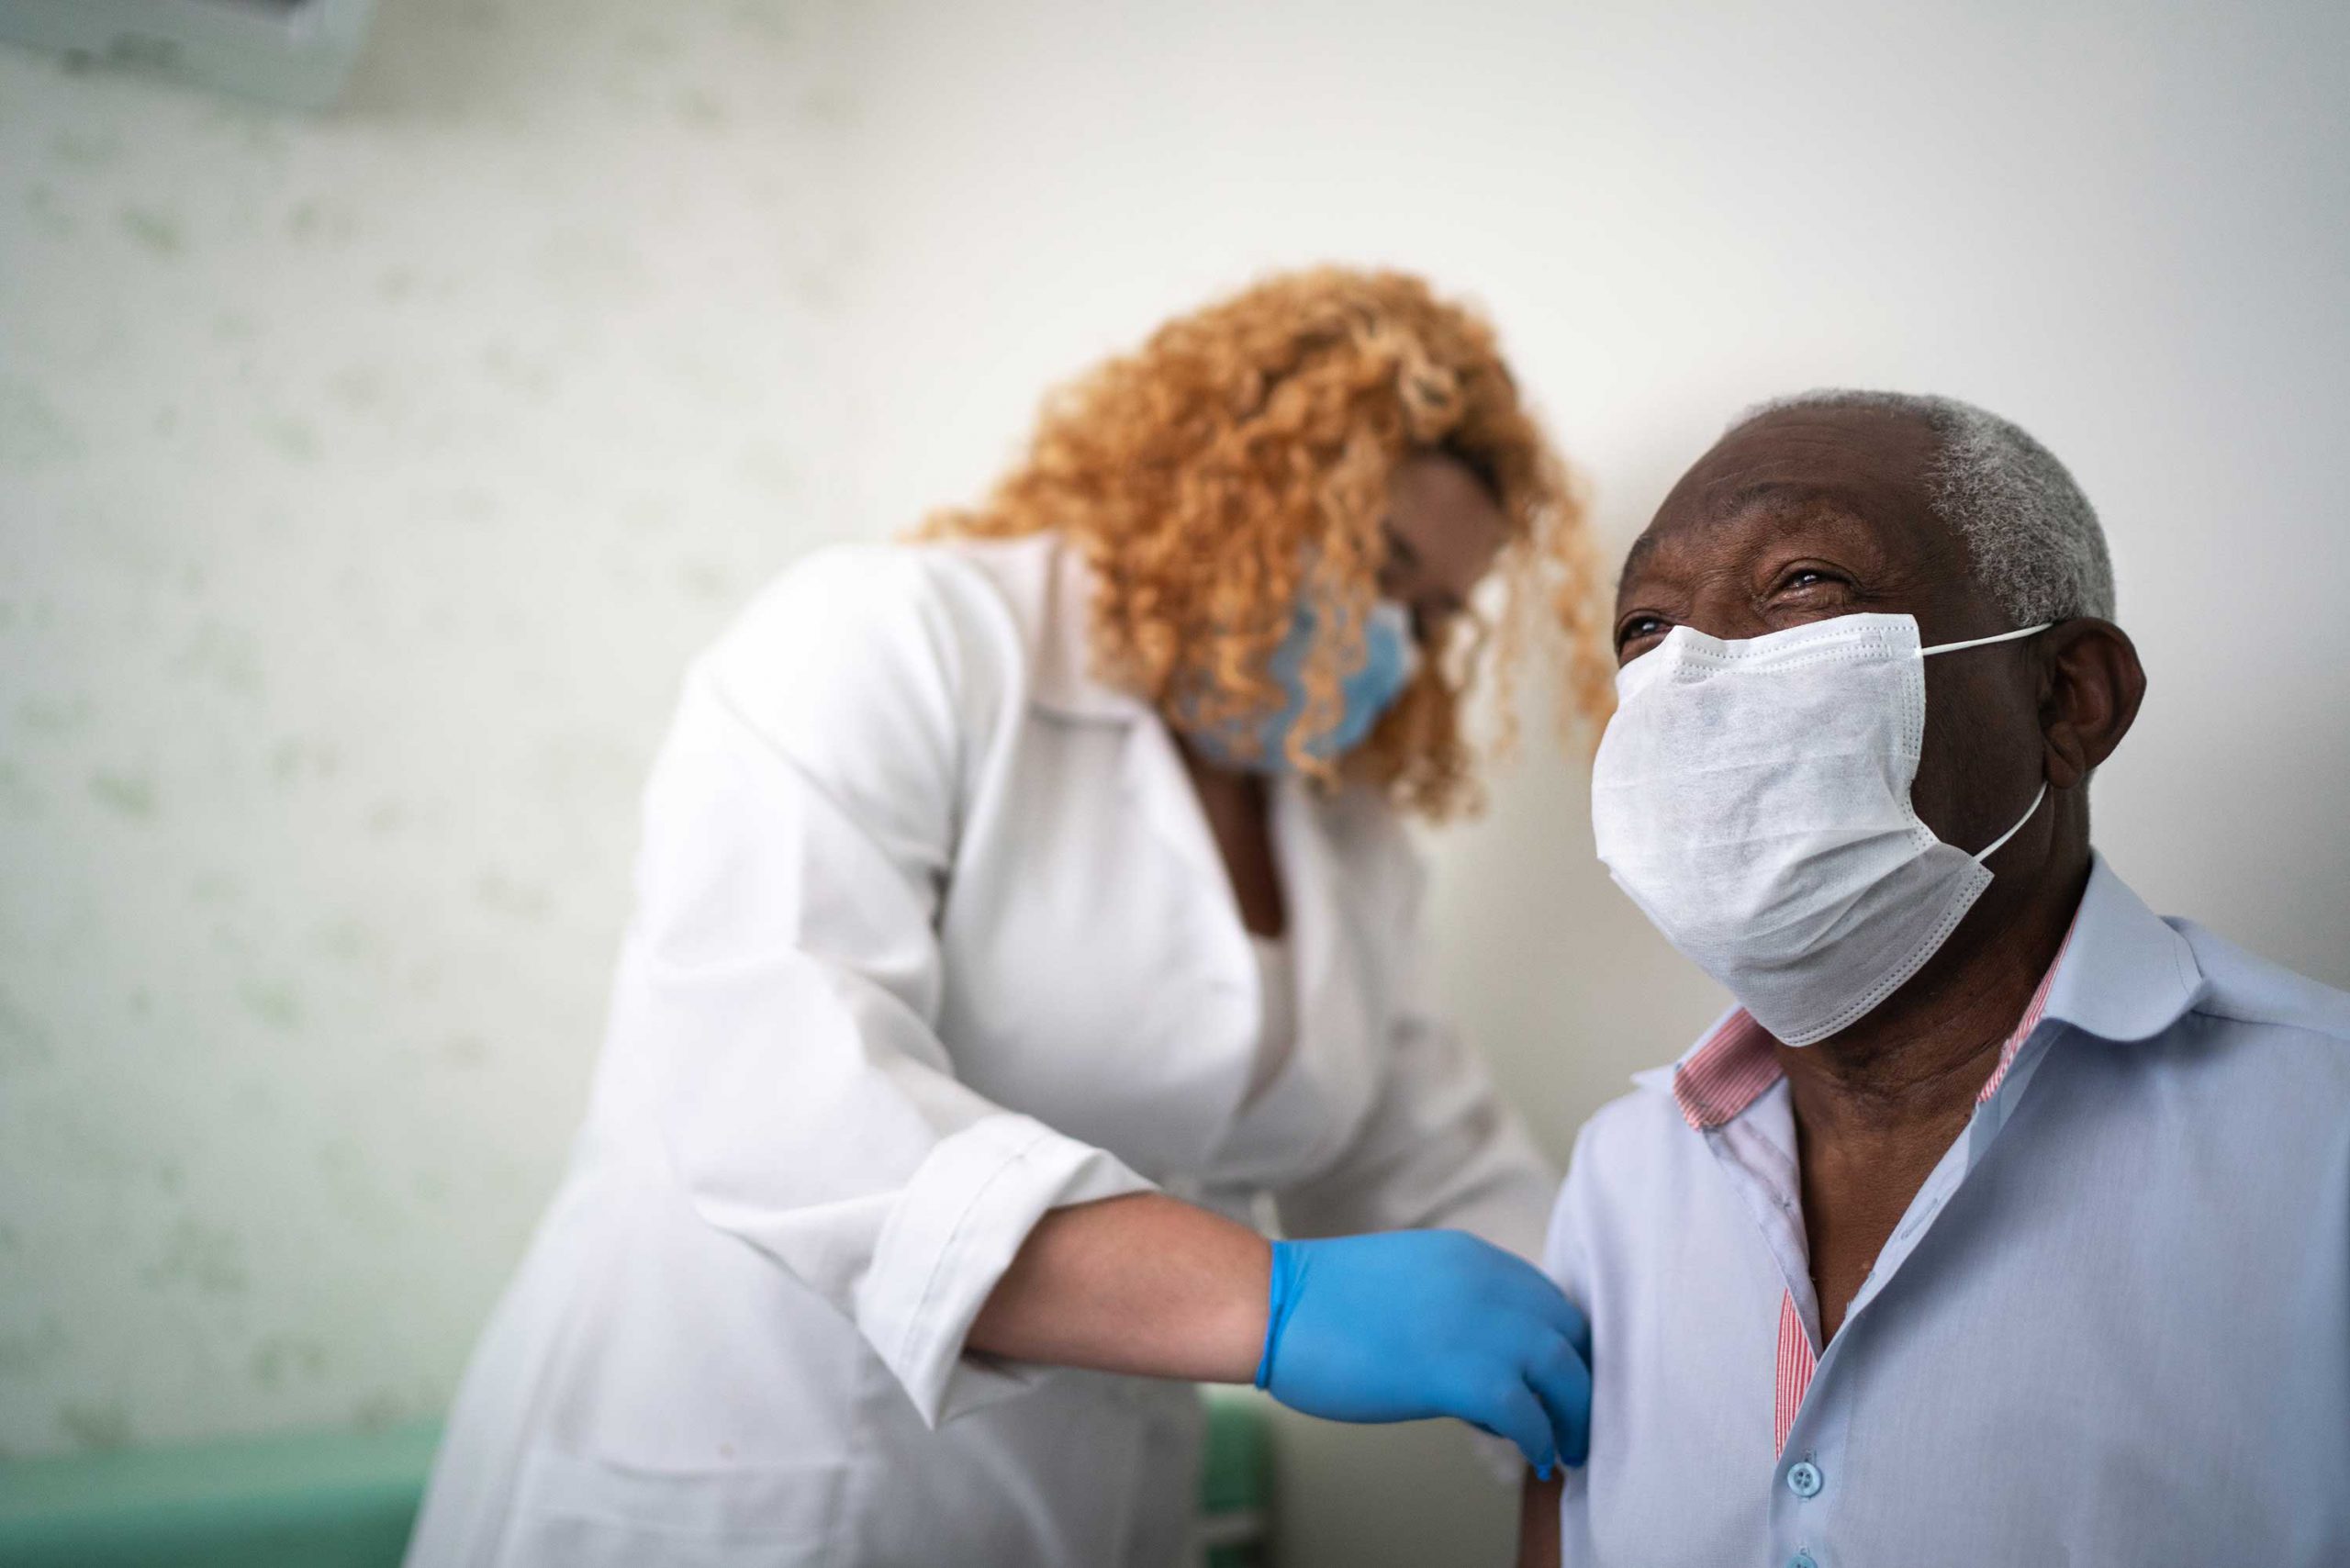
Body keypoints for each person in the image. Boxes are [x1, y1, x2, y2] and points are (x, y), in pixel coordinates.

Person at [405, 268, 1605, 1568]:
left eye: (1430, 615)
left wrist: (1624, 1373)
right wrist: (1270, 1302)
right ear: (1231, 483)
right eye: (1377, 564)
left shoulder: (1344, 832)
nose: (1393, 642)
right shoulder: (891, 638)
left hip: (1077, 1507)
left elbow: (1425, 1155)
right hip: (748, 1467)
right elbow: (780, 1100)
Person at [1518, 389, 2350, 1567]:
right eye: (1643, 628)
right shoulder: (1621, 1175)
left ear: (2069, 700)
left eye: (1803, 581)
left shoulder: (2323, 1145)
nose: (1688, 671)